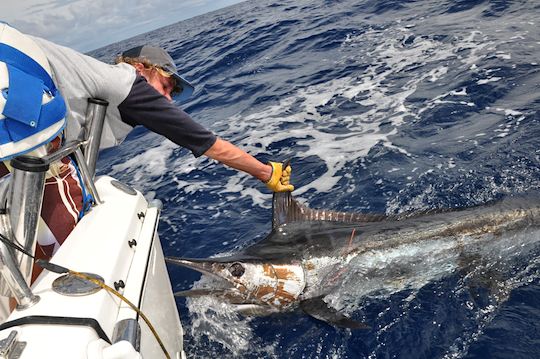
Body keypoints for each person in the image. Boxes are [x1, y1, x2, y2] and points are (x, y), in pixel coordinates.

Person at [0, 24, 293, 279]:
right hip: (17, 106)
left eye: (172, 94)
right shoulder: (129, 84)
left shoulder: (89, 80)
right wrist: (267, 172)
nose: (168, 99)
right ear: (141, 68)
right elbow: (205, 142)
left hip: (14, 93)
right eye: (166, 86)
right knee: (69, 242)